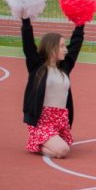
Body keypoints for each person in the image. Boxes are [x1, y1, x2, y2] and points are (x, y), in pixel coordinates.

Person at [21, 17, 85, 158]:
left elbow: (76, 45)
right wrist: (26, 21)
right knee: (63, 151)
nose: (66, 50)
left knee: (64, 146)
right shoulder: (37, 67)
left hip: (60, 120)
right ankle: (37, 141)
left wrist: (80, 24)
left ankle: (39, 145)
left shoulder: (64, 67)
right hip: (41, 121)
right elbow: (28, 45)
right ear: (51, 48)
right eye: (62, 46)